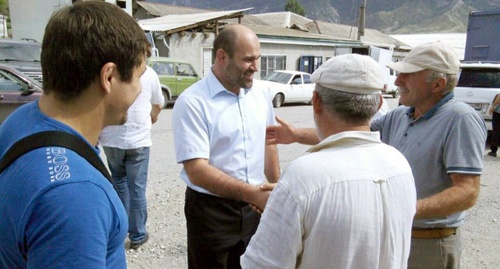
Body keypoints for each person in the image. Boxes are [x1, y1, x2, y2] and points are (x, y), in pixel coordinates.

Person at [265, 42, 487, 269]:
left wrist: (405, 208)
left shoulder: (460, 119)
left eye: (408, 75)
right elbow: (350, 132)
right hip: (398, 235)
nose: (398, 81)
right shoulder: (400, 115)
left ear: (438, 84)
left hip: (430, 242)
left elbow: (467, 191)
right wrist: (294, 135)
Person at [0, 1, 151, 268]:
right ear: (109, 77)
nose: (140, 90)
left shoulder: (22, 119)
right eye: (139, 76)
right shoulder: (75, 196)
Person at [241, 54, 417, 268]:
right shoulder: (399, 164)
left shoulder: (303, 176)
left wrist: (285, 205)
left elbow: (262, 265)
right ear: (379, 102)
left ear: (316, 102)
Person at [172, 24, 280, 269]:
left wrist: (277, 188)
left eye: (257, 59)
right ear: (222, 56)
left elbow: (268, 142)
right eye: (248, 60)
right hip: (212, 214)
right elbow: (197, 170)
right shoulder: (193, 102)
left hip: (256, 209)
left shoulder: (262, 93)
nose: (255, 67)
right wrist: (252, 194)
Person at [99, 66, 164, 249]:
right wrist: (153, 116)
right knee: (137, 188)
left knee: (119, 183)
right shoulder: (149, 73)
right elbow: (158, 104)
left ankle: (120, 231)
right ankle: (137, 235)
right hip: (138, 140)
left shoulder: (109, 72)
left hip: (111, 139)